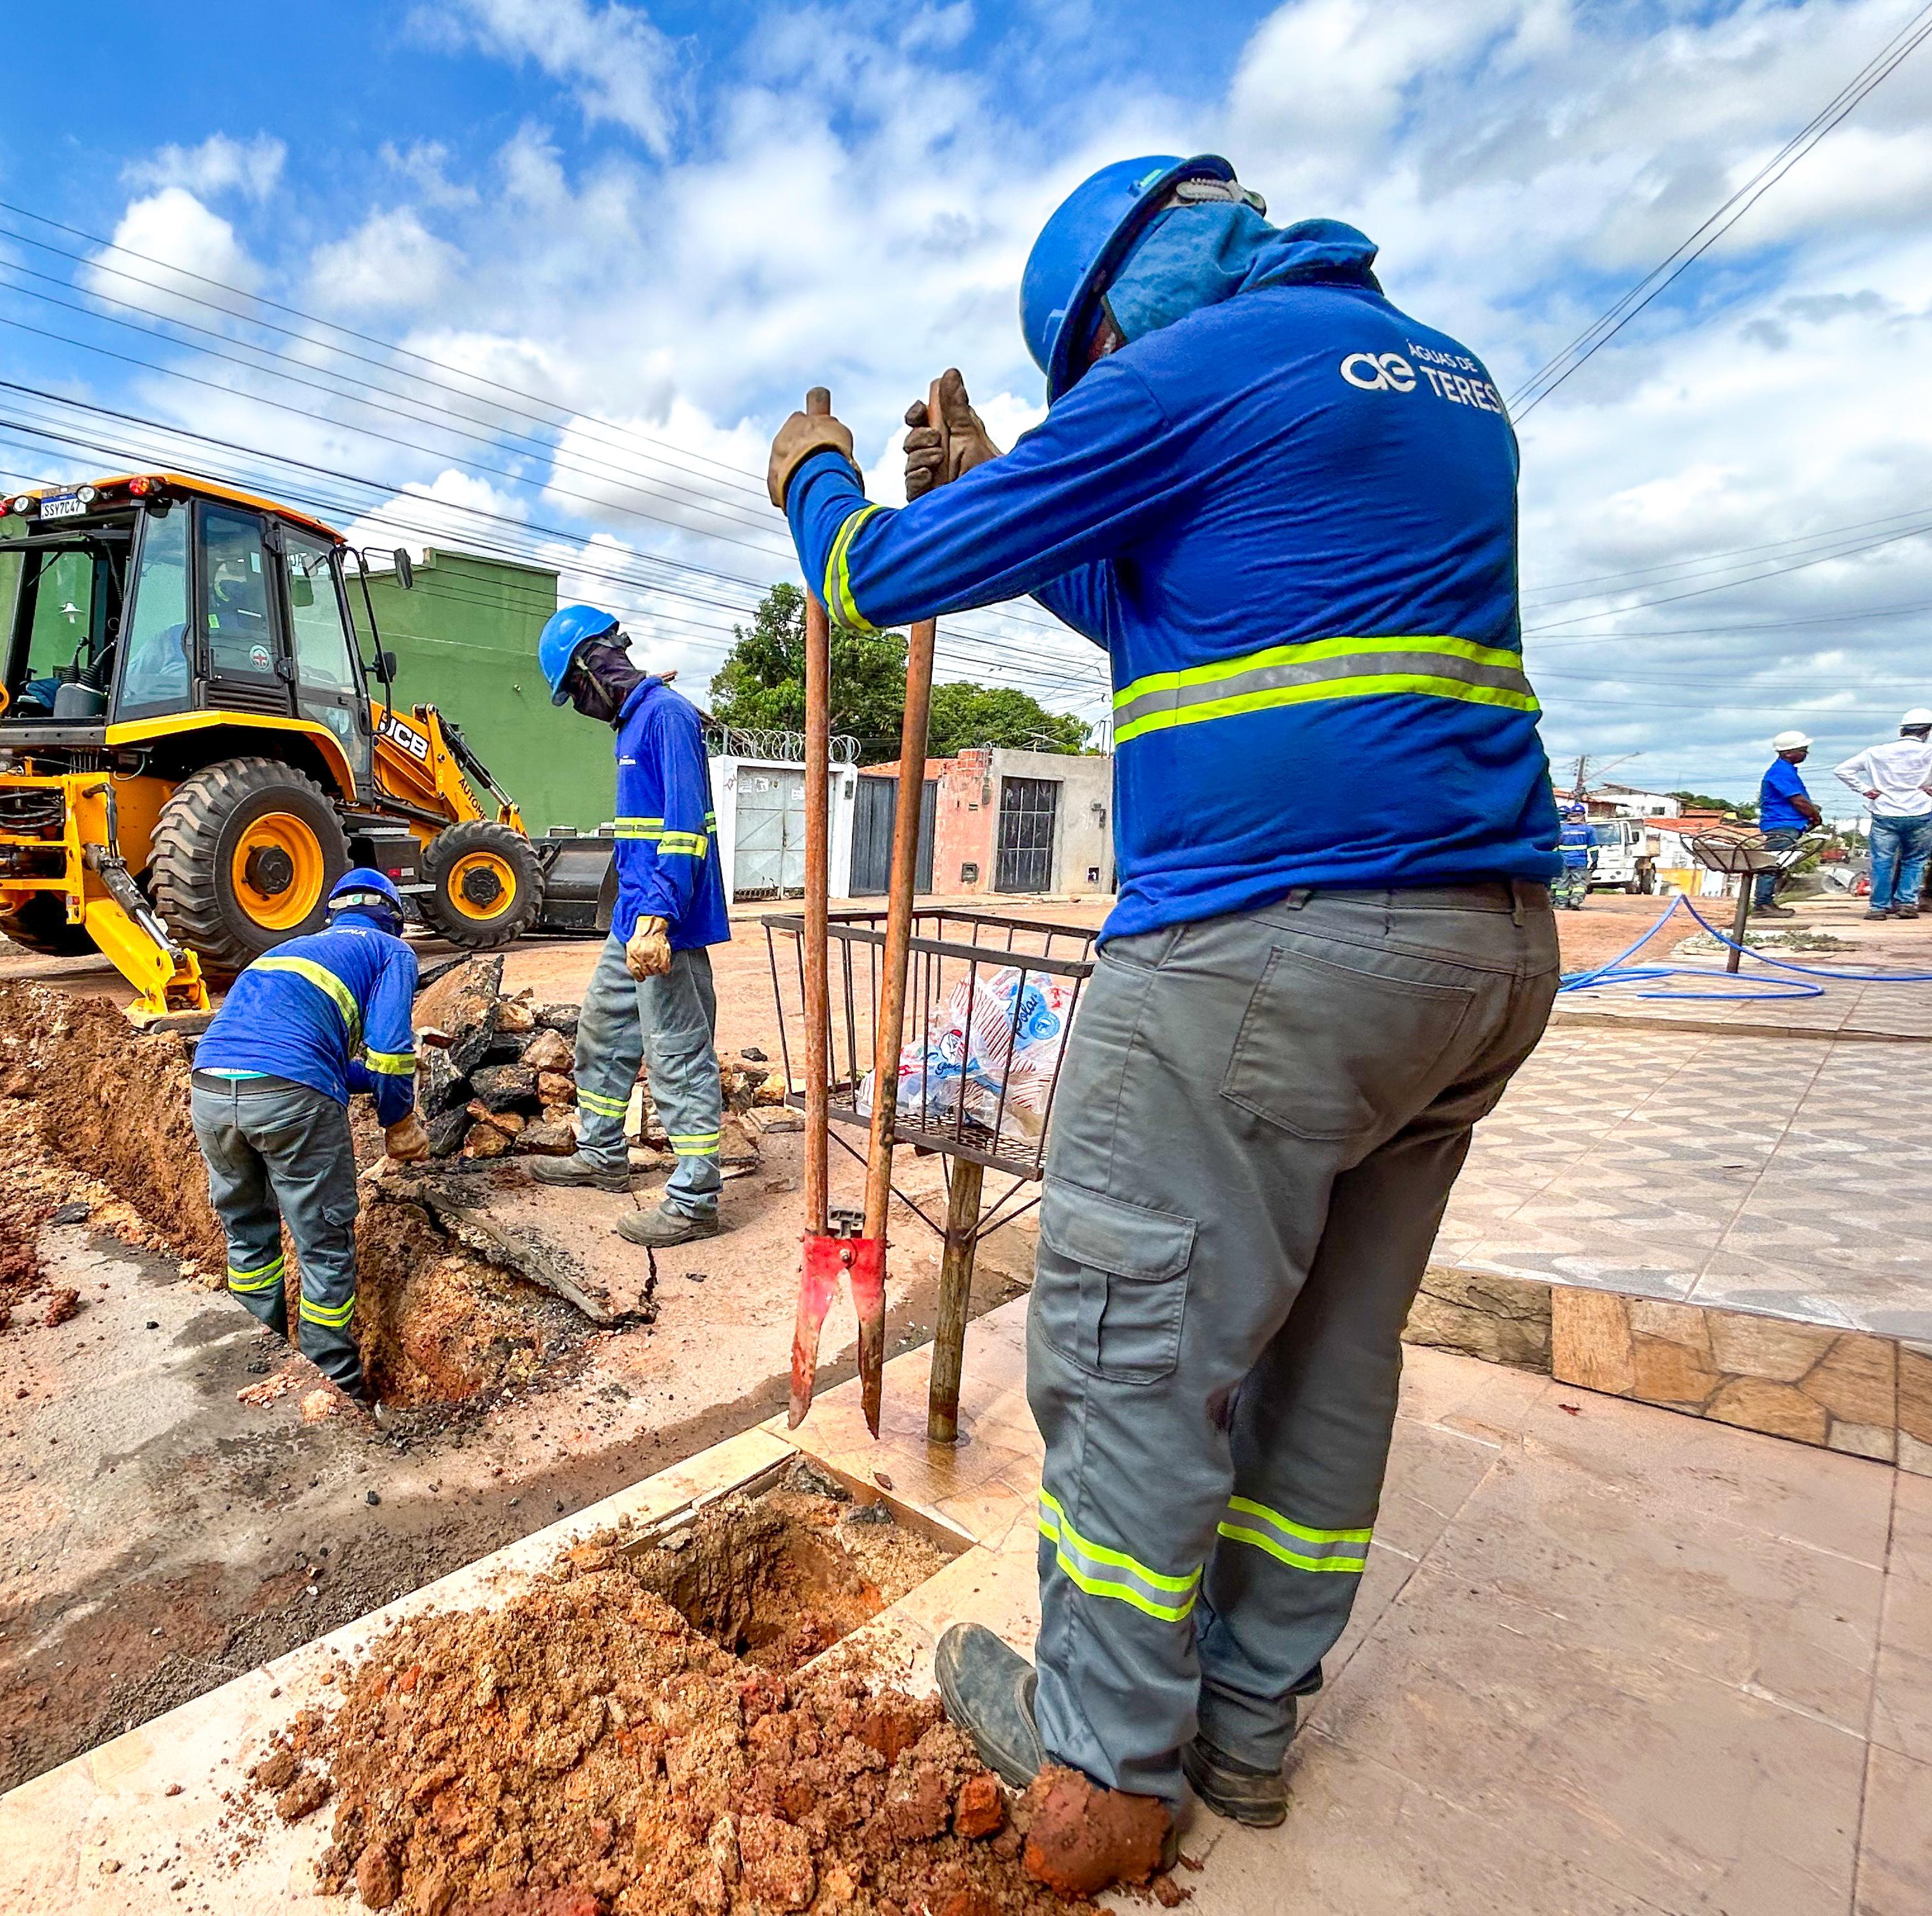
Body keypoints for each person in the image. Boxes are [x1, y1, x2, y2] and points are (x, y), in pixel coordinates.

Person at [768, 153, 1561, 1892]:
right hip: (1484, 953)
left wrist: (819, 477)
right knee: (1329, 1357)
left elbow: (881, 580)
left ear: (1114, 311)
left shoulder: (1186, 366)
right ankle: (1249, 1735)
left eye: (1088, 376)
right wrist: (1013, 480)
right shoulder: (1437, 377)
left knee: (1130, 1352)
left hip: (1270, 949)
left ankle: (1108, 1777)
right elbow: (1160, 594)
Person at [525, 606, 733, 1247]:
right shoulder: (634, 722)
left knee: (675, 1053)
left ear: (594, 661)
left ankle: (695, 1199)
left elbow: (683, 827)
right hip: (632, 918)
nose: (579, 702)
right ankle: (602, 1153)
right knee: (603, 1030)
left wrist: (658, 919)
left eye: (574, 686)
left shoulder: (665, 716)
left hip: (665, 922)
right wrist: (634, 918)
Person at [187, 869, 428, 1404]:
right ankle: (333, 1387)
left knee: (249, 1236)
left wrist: (380, 1079)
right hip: (292, 1101)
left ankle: (254, 1365)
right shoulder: (391, 951)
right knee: (323, 1244)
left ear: (335, 914)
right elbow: (388, 1054)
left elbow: (313, 1060)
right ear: (395, 918)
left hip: (209, 1091)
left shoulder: (288, 952)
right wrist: (400, 1120)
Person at [1834, 710, 1932, 920]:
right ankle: (1906, 903)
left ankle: (1878, 907)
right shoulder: (1929, 752)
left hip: (1885, 812)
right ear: (1926, 732)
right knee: (1914, 860)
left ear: (1902, 730)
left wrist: (1865, 789)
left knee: (1882, 861)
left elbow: (1842, 770)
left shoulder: (1875, 752)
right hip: (1920, 811)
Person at [1753, 731, 1822, 917]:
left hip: (1788, 825)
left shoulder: (1786, 771)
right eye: (1803, 750)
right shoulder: (1781, 772)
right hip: (1781, 826)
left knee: (1779, 865)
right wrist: (1815, 816)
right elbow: (1798, 800)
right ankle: (1762, 904)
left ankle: (1767, 902)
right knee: (1772, 865)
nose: (1806, 754)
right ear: (1790, 752)